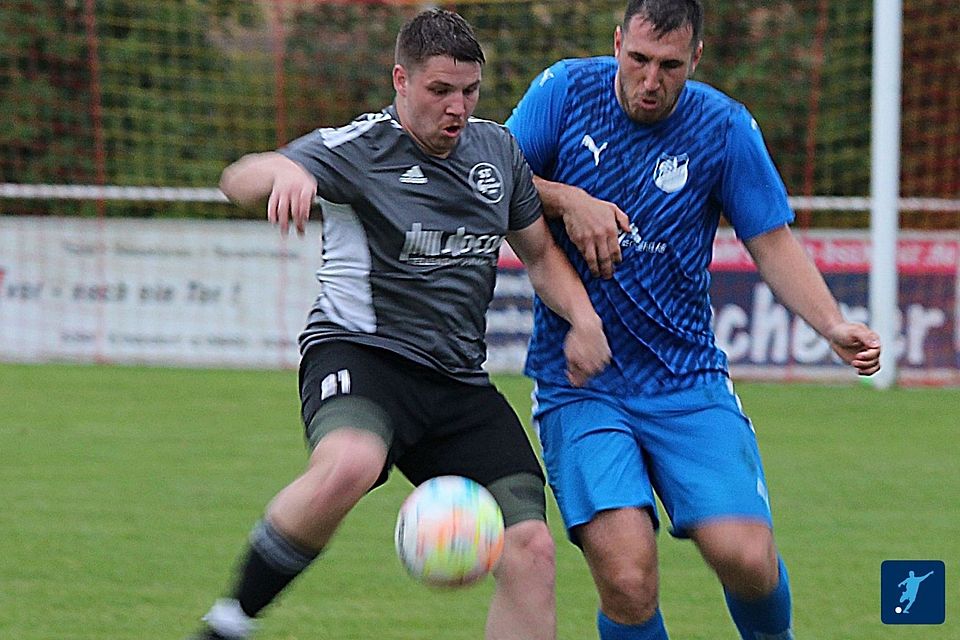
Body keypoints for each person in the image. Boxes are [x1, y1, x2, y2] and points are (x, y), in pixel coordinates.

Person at [187, 9, 611, 640]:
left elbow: (542, 256)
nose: (457, 108)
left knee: (530, 548)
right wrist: (287, 172)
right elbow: (237, 178)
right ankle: (229, 623)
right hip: (360, 355)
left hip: (457, 383)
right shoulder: (361, 149)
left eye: (469, 91)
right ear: (401, 81)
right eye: (440, 90)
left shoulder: (498, 152)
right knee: (350, 464)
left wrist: (583, 318)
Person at [504, 1, 882, 639]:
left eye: (670, 66)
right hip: (582, 386)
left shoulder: (723, 127)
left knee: (749, 559)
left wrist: (831, 324)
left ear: (696, 58)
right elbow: (490, 172)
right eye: (639, 60)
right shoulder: (564, 92)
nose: (651, 80)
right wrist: (570, 200)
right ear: (617, 43)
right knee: (627, 580)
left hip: (687, 379)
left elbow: (771, 242)